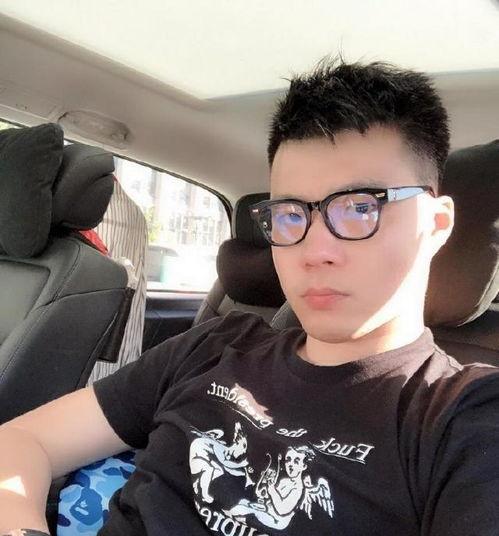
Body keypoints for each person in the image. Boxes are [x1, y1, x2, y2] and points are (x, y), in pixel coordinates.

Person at [1, 58, 498, 536]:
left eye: (360, 208)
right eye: (290, 215)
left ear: (436, 225)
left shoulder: (464, 416)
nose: (314, 252)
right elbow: (21, 440)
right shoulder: (214, 346)